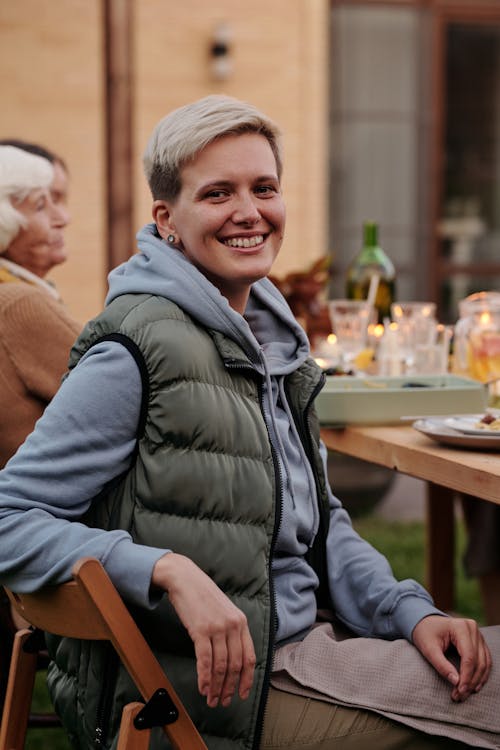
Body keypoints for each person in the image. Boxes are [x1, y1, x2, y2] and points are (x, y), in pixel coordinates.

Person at [0, 96, 498, 750]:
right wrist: (166, 569)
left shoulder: (275, 348)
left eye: (264, 188)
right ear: (167, 218)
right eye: (217, 193)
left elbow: (320, 527)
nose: (249, 211)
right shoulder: (136, 351)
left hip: (304, 644)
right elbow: (11, 517)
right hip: (222, 695)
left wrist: (410, 611)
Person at [0, 144, 80, 707]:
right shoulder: (19, 307)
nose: (62, 215)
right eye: (42, 202)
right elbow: (144, 396)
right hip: (53, 558)